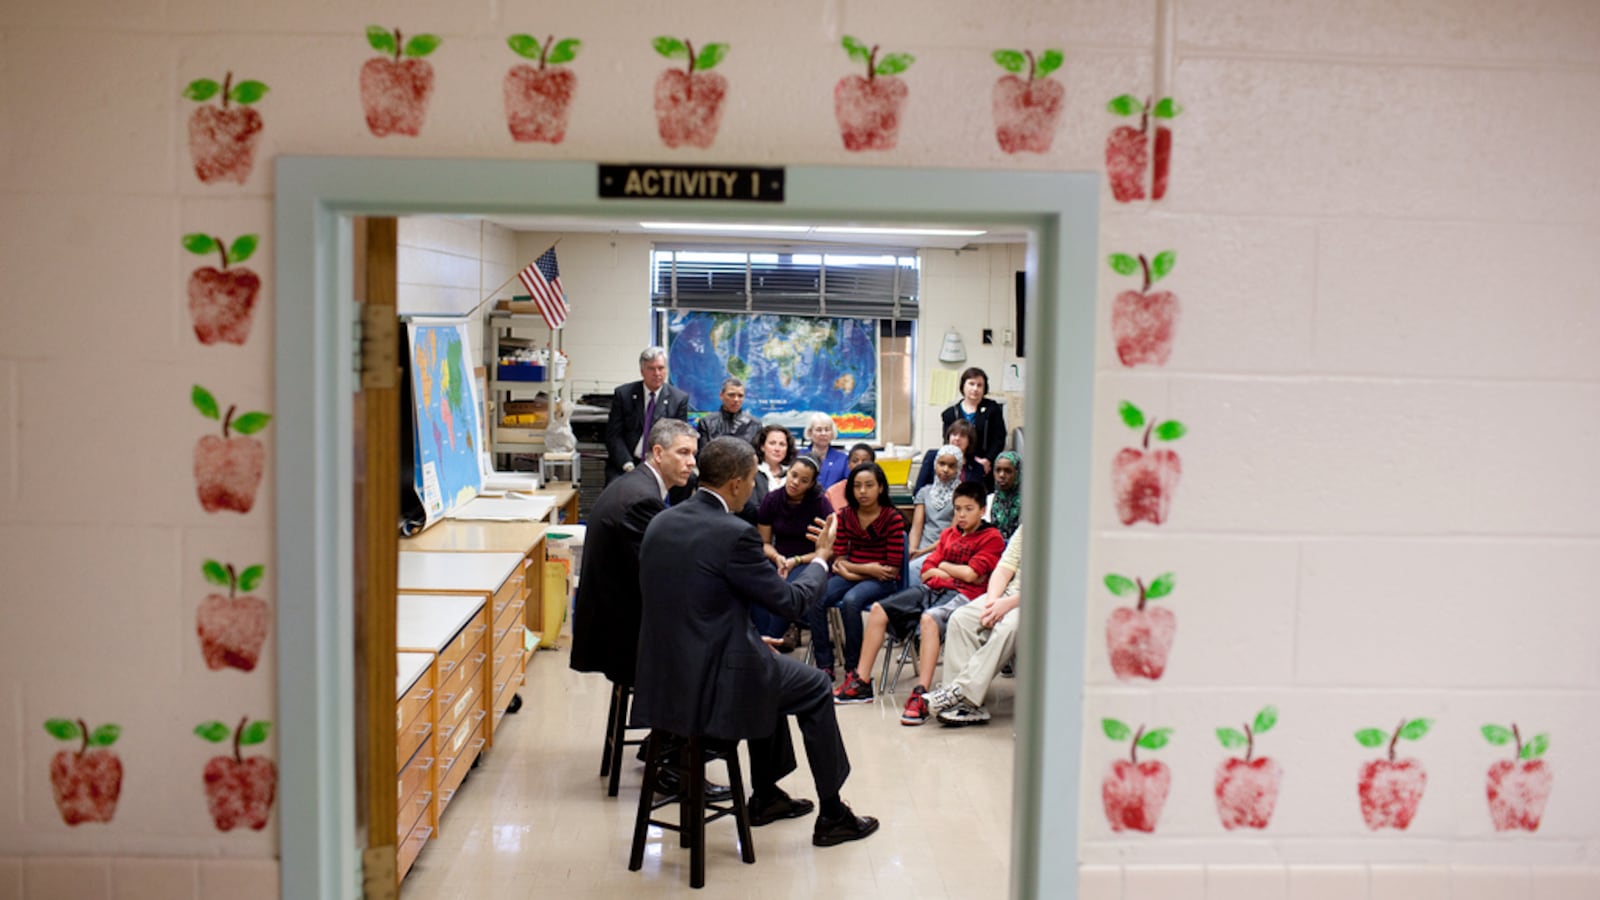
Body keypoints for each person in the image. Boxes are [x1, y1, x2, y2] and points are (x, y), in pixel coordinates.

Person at [633, 436, 880, 847]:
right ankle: (833, 813)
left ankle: (767, 796)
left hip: (666, 672)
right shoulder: (734, 533)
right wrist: (821, 558)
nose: (755, 488)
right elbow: (793, 603)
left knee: (771, 669)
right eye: (751, 480)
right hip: (714, 680)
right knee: (815, 686)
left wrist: (745, 635)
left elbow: (695, 601)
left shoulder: (663, 519)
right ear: (734, 484)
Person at [834, 481, 1005, 728]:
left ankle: (922, 693)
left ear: (981, 510)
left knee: (929, 619)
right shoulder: (949, 534)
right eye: (957, 509)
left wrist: (944, 568)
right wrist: (948, 570)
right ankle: (862, 682)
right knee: (880, 610)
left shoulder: (992, 537)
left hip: (966, 597)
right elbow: (926, 571)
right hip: (932, 589)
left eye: (968, 509)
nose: (962, 515)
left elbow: (972, 576)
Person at [806, 462, 905, 680]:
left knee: (851, 601)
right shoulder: (845, 516)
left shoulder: (892, 518)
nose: (862, 491)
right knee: (815, 598)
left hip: (883, 582)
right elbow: (839, 558)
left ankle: (854, 668)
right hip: (857, 574)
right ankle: (825, 665)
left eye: (869, 485)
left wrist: (851, 570)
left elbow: (890, 569)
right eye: (857, 486)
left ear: (880, 488)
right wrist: (864, 569)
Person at [927, 525, 1024, 727]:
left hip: (1037, 603)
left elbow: (1053, 585)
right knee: (961, 618)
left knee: (1008, 627)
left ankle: (960, 691)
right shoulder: (1028, 527)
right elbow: (1004, 568)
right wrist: (992, 603)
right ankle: (966, 706)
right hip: (1005, 595)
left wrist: (1006, 604)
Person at [755, 456, 833, 643]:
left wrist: (797, 560)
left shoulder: (820, 503)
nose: (795, 483)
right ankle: (759, 642)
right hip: (779, 558)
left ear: (811, 484)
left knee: (785, 590)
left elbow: (829, 549)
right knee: (755, 585)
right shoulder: (772, 499)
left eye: (804, 480)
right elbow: (764, 543)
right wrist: (777, 557)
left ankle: (771, 642)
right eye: (793, 475)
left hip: (810, 560)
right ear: (787, 472)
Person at [604, 347, 692, 484]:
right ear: (642, 371)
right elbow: (614, 435)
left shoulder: (679, 399)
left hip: (661, 464)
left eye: (661, 368)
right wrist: (627, 464)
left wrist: (663, 465)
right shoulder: (624, 394)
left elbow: (678, 440)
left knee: (689, 481)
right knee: (615, 489)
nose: (657, 373)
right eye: (651, 369)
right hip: (628, 462)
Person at [940, 366, 1007, 489]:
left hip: (985, 465)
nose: (975, 389)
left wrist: (988, 460)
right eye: (971, 384)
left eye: (979, 385)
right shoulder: (951, 413)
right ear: (963, 386)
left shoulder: (992, 409)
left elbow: (999, 438)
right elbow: (947, 441)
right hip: (959, 464)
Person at [905, 444, 963, 587]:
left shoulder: (962, 494)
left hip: (945, 550)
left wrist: (922, 552)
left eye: (951, 466)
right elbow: (916, 527)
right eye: (941, 464)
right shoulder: (924, 492)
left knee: (912, 570)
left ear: (958, 468)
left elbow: (952, 533)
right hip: (921, 547)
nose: (945, 470)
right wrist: (912, 549)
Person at [912, 419, 985, 493]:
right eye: (954, 434)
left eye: (962, 436)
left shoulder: (976, 467)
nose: (957, 438)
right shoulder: (932, 456)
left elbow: (978, 496)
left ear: (970, 441)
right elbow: (919, 490)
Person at [696, 377, 761, 449]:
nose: (736, 399)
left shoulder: (754, 424)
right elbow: (703, 455)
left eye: (740, 396)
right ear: (721, 395)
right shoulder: (707, 422)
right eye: (731, 395)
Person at [803, 412, 850, 489]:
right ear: (810, 432)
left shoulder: (843, 460)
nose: (823, 433)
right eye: (819, 430)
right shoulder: (799, 456)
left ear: (832, 433)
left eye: (827, 429)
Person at [823, 443, 874, 512]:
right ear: (848, 464)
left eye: (864, 461)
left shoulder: (877, 490)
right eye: (855, 461)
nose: (859, 464)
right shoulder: (832, 492)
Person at [985, 451, 1022, 540]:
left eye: (1008, 471)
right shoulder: (990, 500)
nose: (1001, 475)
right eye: (998, 470)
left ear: (1018, 473)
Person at [752, 424, 795, 499]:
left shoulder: (793, 472)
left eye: (782, 444)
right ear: (762, 447)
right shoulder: (752, 473)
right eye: (772, 443)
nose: (777, 449)